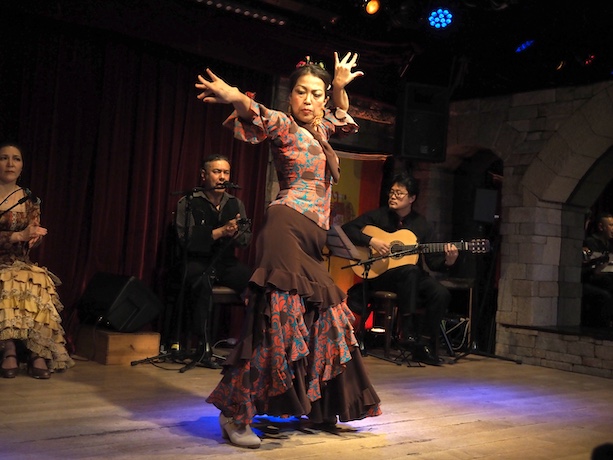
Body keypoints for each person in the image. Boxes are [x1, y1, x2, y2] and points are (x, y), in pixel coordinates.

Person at [195, 51, 381, 449]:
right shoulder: (284, 125)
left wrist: (340, 87)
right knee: (276, 323)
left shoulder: (323, 128)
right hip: (285, 229)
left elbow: (342, 114)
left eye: (316, 94)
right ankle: (234, 414)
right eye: (301, 92)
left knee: (329, 318)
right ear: (290, 96)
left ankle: (322, 409)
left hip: (312, 239)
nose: (308, 100)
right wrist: (233, 94)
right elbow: (254, 111)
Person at [342, 172, 459, 366]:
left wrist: (449, 260)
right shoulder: (378, 216)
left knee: (440, 293)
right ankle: (407, 330)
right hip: (382, 275)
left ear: (412, 198)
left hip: (411, 278)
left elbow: (433, 262)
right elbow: (347, 229)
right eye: (392, 192)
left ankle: (424, 344)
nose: (393, 196)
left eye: (399, 193)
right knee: (410, 271)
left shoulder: (422, 225)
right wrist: (371, 240)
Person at [0, 143, 74, 379]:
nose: (10, 163)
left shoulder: (29, 199)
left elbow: (32, 233)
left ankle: (37, 351)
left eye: (16, 159)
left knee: (39, 278)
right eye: (4, 158)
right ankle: (9, 350)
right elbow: (18, 236)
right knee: (7, 279)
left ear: (22, 167)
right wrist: (17, 236)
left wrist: (34, 237)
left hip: (19, 262)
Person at [175, 154, 252, 351]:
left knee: (256, 283)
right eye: (217, 172)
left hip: (225, 262)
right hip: (197, 261)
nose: (222, 177)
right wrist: (221, 231)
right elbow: (187, 240)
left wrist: (235, 233)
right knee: (202, 283)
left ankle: (249, 342)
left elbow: (245, 240)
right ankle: (203, 345)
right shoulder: (189, 201)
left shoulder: (235, 203)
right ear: (204, 175)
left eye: (226, 172)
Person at [581, 212, 613, 327]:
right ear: (601, 227)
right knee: (606, 292)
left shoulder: (609, 244)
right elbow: (589, 266)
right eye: (611, 225)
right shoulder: (591, 242)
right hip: (589, 278)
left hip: (603, 276)